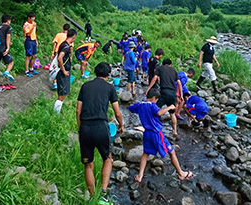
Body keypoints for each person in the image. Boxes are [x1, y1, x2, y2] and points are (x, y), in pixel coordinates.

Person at [76, 62, 124, 205]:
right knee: (107, 158)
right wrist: (122, 126)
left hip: (85, 127)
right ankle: (103, 193)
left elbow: (78, 110)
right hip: (101, 127)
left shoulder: (85, 86)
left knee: (88, 164)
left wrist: (80, 128)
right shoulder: (110, 88)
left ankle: (93, 196)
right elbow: (117, 113)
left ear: (96, 73)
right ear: (108, 74)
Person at [129, 88, 194, 182]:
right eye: (156, 100)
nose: (156, 102)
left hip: (147, 133)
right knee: (171, 152)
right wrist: (169, 107)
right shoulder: (152, 105)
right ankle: (181, 173)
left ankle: (140, 175)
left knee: (145, 153)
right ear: (154, 98)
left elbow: (131, 108)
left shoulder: (140, 105)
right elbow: (159, 113)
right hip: (156, 133)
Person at [146, 59, 183, 138]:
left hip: (163, 92)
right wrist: (181, 95)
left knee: (155, 110)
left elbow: (155, 78)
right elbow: (179, 83)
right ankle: (175, 130)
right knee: (172, 113)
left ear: (163, 64)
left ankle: (152, 126)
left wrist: (148, 89)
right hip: (172, 93)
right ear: (170, 65)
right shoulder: (173, 70)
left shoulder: (160, 68)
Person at [53, 29, 77, 114]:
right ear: (74, 37)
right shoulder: (66, 46)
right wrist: (64, 71)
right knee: (61, 95)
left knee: (62, 94)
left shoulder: (64, 44)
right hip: (63, 73)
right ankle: (56, 114)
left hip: (63, 72)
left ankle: (57, 113)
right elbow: (60, 58)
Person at [0, 14, 14, 89]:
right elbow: (8, 37)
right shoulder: (8, 27)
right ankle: (7, 72)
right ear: (8, 21)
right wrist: (8, 47)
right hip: (3, 48)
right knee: (11, 62)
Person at [51, 23, 71, 90]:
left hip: (57, 52)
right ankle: (60, 83)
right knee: (61, 67)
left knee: (55, 67)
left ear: (63, 28)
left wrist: (53, 53)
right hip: (65, 54)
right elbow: (71, 47)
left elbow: (55, 43)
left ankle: (54, 83)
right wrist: (70, 56)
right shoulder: (69, 37)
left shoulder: (58, 35)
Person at [23, 12, 39, 77]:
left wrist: (36, 40)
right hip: (28, 41)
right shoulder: (26, 25)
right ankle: (26, 71)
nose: (33, 19)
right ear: (29, 18)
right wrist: (32, 27)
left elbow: (34, 33)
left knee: (34, 55)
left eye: (34, 18)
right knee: (28, 56)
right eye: (32, 18)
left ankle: (31, 68)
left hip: (33, 40)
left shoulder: (34, 23)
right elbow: (28, 33)